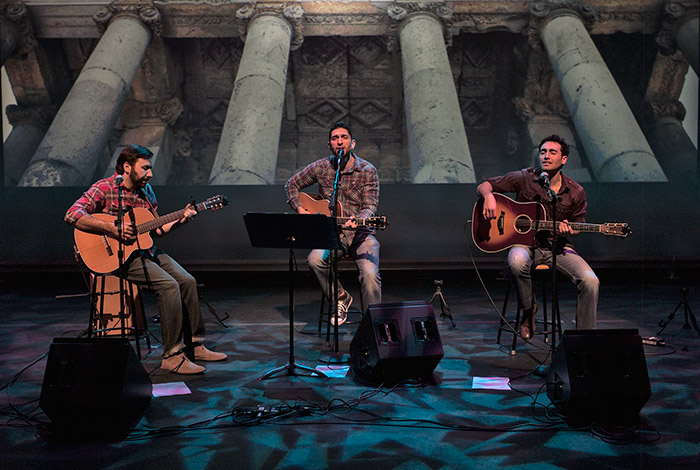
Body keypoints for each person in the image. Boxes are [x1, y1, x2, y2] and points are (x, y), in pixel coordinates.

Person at [65, 145, 227, 374]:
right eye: (145, 168)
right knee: (169, 286)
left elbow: (157, 230)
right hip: (116, 257)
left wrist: (183, 218)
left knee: (188, 281)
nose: (150, 174)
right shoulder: (104, 187)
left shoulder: (147, 191)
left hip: (144, 251)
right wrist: (111, 228)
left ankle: (195, 344)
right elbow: (72, 214)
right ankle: (172, 355)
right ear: (127, 167)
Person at [476, 134, 599, 339]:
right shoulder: (525, 178)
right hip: (524, 244)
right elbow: (485, 185)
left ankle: (584, 339)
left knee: (590, 281)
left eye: (552, 152)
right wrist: (489, 196)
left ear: (564, 159)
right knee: (516, 261)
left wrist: (571, 228)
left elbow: (579, 224)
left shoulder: (576, 191)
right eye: (543, 152)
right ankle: (528, 309)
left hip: (557, 246)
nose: (546, 156)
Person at [285, 121, 382, 325]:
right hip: (331, 234)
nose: (340, 142)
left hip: (361, 235)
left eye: (344, 138)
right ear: (330, 144)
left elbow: (370, 205)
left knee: (371, 277)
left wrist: (359, 219)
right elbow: (292, 184)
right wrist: (301, 209)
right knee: (314, 260)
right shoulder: (322, 167)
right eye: (335, 138)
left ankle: (373, 327)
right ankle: (340, 297)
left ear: (352, 143)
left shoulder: (367, 170)